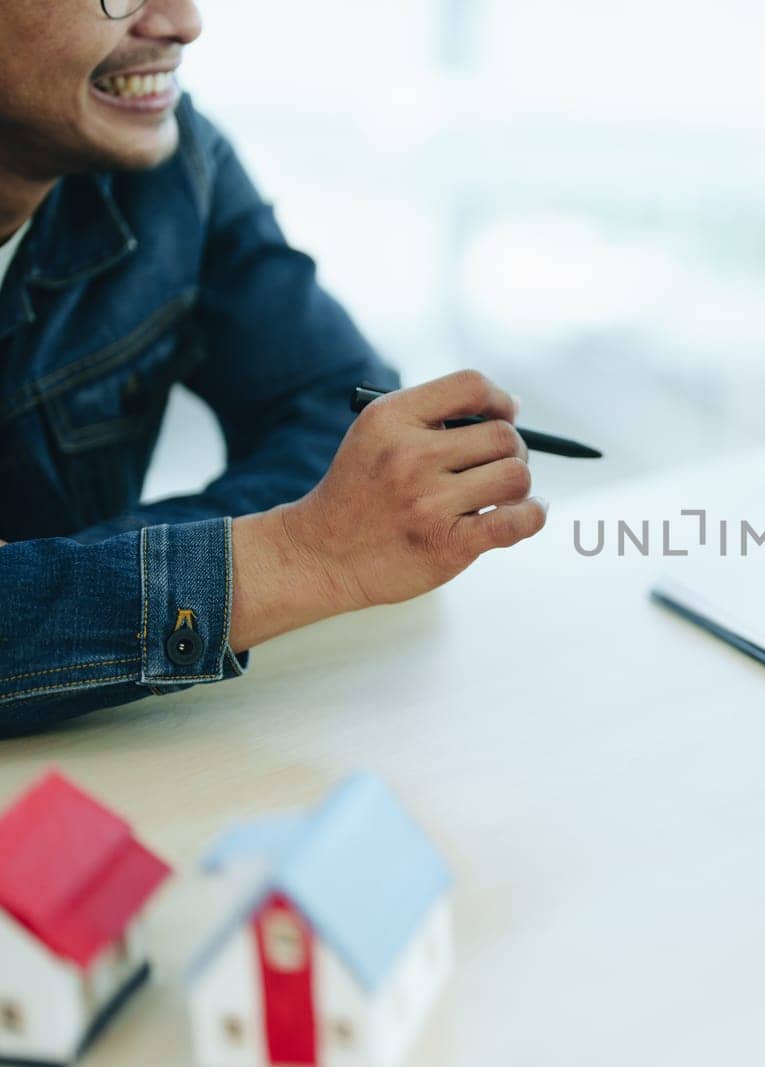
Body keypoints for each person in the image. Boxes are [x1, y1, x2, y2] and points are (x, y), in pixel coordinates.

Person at [0, 0, 547, 737]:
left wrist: (54, 588)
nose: (186, 21)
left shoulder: (170, 162)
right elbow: (337, 517)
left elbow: (338, 418)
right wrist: (291, 555)